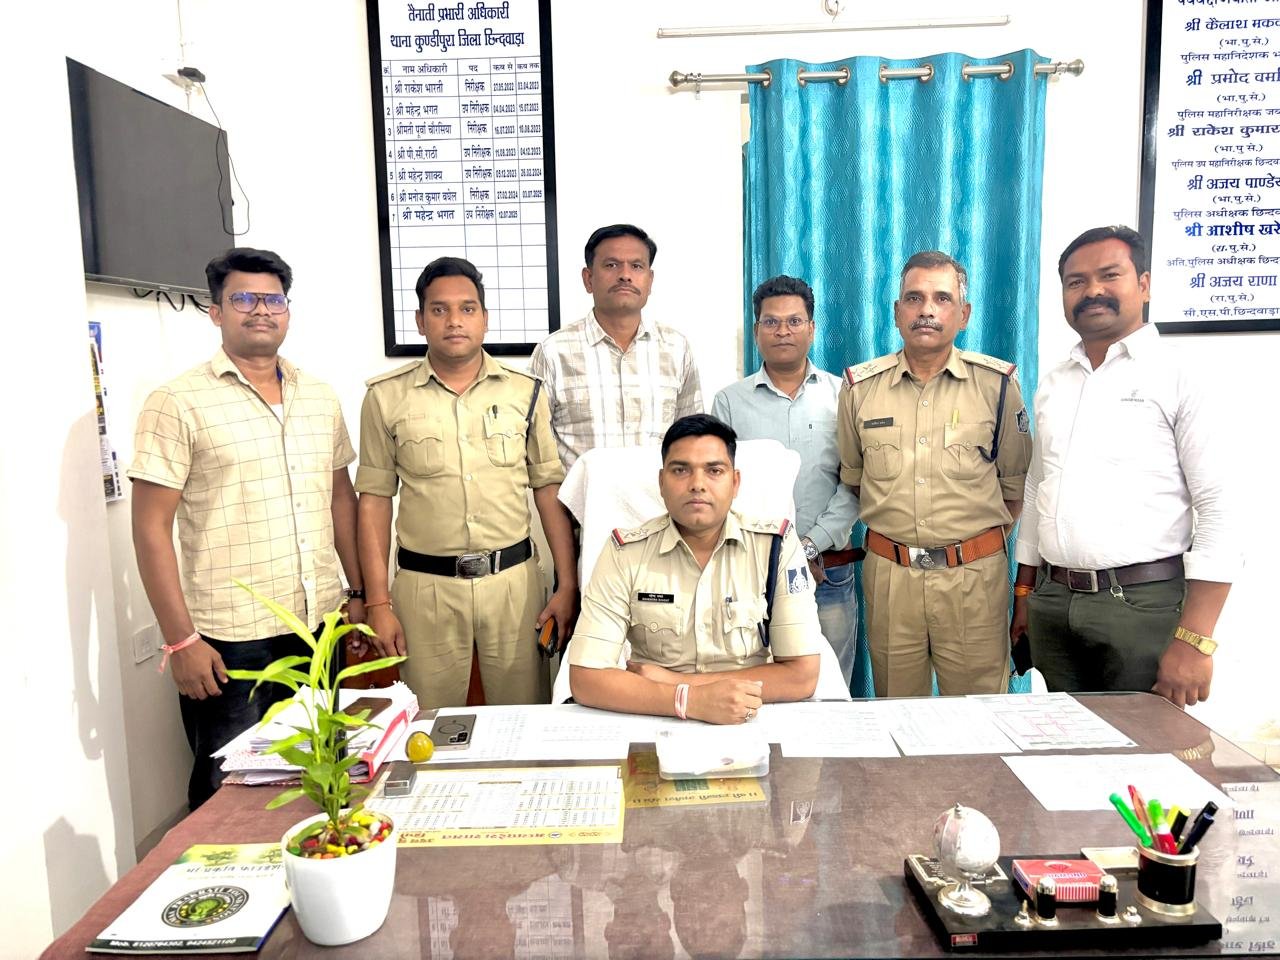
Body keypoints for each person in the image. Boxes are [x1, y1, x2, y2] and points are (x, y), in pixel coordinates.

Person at [128, 247, 364, 810]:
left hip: (317, 625)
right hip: (230, 639)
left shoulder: (319, 396)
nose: (261, 310)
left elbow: (340, 499)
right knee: (228, 793)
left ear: (288, 311)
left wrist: (356, 593)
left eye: (273, 300)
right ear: (215, 311)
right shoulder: (177, 402)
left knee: (319, 778)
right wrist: (181, 641)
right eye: (244, 298)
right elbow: (150, 527)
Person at [1011, 225, 1240, 707]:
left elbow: (1220, 507)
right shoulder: (1055, 382)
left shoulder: (1181, 375)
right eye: (1076, 281)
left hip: (1141, 605)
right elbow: (1037, 487)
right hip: (1054, 602)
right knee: (1065, 740)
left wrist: (1196, 640)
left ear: (1145, 284)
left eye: (1109, 275)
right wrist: (1027, 593)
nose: (1092, 290)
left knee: (1148, 744)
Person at [355, 256, 577, 707]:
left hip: (513, 585)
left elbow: (548, 488)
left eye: (467, 308)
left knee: (523, 720)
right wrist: (377, 603)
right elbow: (374, 501)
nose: (454, 320)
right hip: (425, 588)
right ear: (420, 321)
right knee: (426, 724)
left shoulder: (525, 391)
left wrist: (567, 583)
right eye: (439, 310)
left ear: (485, 318)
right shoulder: (384, 397)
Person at [837, 251, 1032, 698]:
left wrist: (965, 550)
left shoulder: (997, 386)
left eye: (942, 298)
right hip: (891, 579)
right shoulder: (860, 389)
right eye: (914, 298)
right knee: (898, 712)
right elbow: (855, 479)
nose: (926, 309)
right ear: (896, 312)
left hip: (973, 581)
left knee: (980, 716)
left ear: (964, 314)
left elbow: (1015, 488)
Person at [568, 414, 821, 723]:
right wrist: (690, 701)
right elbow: (586, 678)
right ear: (662, 482)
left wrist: (678, 684)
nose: (697, 484)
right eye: (680, 470)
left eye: (714, 471)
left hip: (749, 716)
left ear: (735, 482)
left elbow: (802, 675)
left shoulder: (776, 547)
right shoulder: (625, 553)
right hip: (653, 717)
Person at [712, 275, 860, 687]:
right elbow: (721, 487)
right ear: (756, 330)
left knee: (831, 688)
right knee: (756, 688)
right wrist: (778, 556)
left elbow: (856, 484)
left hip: (828, 571)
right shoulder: (728, 402)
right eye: (771, 322)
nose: (782, 331)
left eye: (794, 321)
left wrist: (808, 546)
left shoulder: (844, 396)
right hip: (751, 575)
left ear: (811, 328)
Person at [529, 224, 702, 470]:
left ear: (650, 280)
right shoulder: (553, 352)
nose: (625, 275)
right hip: (581, 496)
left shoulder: (676, 348)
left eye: (637, 266)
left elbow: (693, 440)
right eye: (611, 265)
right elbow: (536, 451)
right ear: (588, 279)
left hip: (658, 495)